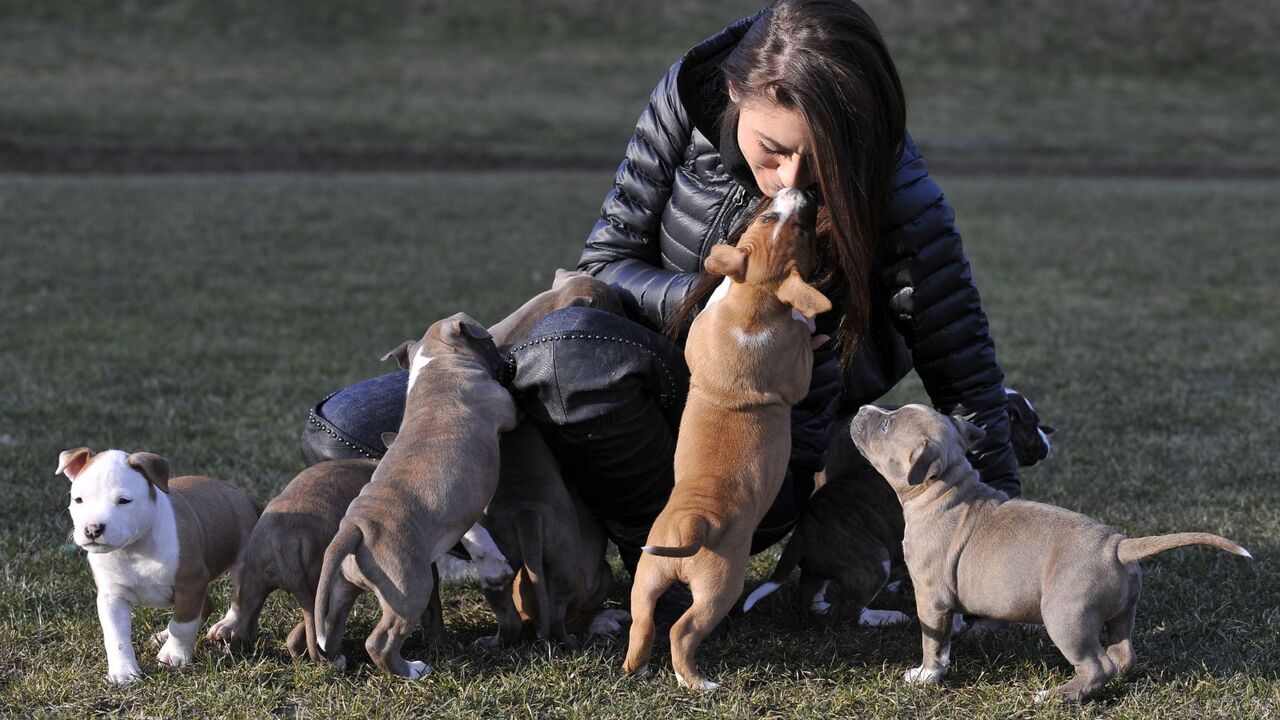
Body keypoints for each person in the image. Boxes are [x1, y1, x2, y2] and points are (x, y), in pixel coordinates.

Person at [300, 0, 1019, 573]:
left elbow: (967, 380)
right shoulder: (686, 99)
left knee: (567, 352)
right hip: (638, 376)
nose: (792, 182)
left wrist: (998, 534)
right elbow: (603, 263)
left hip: (748, 447)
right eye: (772, 151)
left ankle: (663, 557)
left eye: (819, 160)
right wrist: (702, 300)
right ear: (734, 93)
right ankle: (569, 525)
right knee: (347, 431)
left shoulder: (902, 196)